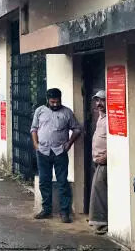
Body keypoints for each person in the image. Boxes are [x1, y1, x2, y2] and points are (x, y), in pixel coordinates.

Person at [31, 88, 82, 223]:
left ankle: (65, 212)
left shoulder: (67, 112)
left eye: (57, 102)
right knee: (44, 181)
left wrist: (69, 144)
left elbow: (77, 129)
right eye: (52, 102)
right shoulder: (40, 111)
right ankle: (46, 209)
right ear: (48, 100)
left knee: (62, 182)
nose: (55, 104)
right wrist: (36, 145)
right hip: (42, 152)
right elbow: (34, 129)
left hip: (60, 152)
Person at [89, 90, 108, 235]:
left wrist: (106, 157)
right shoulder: (101, 117)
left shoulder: (110, 119)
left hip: (105, 161)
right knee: (98, 190)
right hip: (98, 161)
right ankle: (99, 220)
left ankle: (102, 222)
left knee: (99, 190)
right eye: (97, 100)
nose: (99, 103)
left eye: (102, 100)